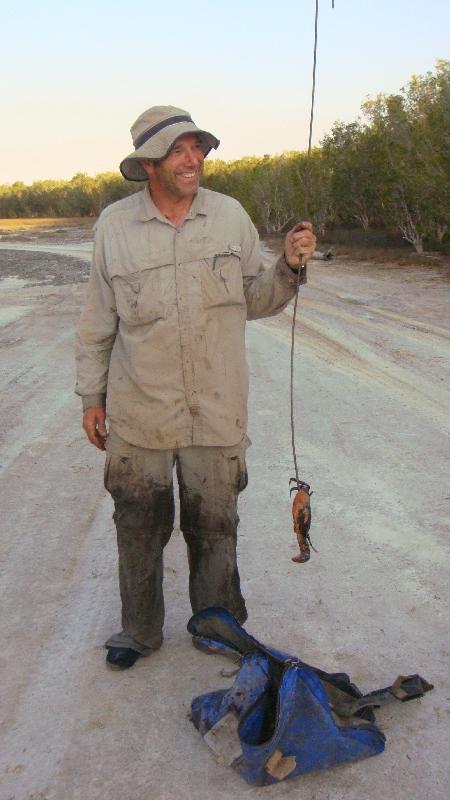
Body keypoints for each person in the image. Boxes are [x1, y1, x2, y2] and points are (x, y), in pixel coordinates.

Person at [76, 105, 316, 670]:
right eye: (178, 150)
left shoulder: (231, 217)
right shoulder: (115, 227)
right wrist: (92, 397)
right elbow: (96, 320)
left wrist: (288, 266)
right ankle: (138, 629)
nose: (193, 159)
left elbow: (256, 299)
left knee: (215, 521)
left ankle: (216, 621)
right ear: (148, 163)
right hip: (140, 409)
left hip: (216, 405)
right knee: (138, 521)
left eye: (197, 148)